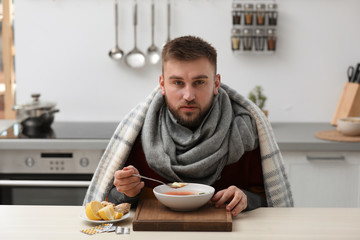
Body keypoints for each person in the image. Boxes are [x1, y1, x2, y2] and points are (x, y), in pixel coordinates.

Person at [83, 36, 293, 216]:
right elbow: (111, 203)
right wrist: (127, 192)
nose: (189, 95)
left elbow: (270, 199)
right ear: (162, 84)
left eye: (199, 82)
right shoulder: (137, 133)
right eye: (177, 83)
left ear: (216, 84)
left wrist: (246, 198)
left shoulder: (245, 129)